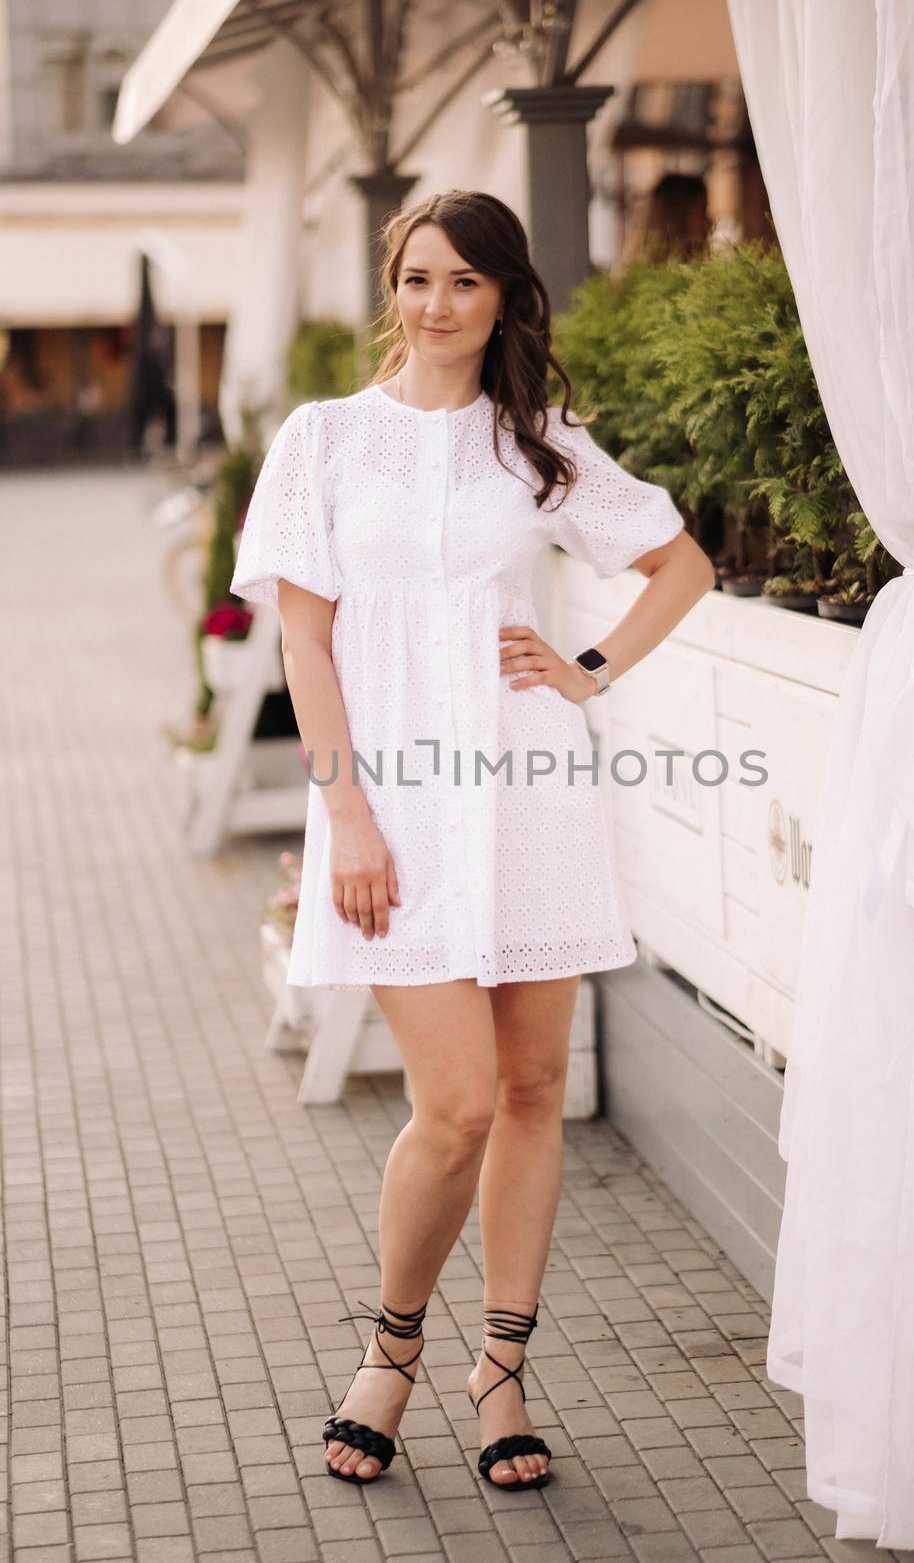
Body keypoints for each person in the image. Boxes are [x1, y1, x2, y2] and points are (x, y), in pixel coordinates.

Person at [230, 189, 715, 1493]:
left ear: (504, 296)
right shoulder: (324, 443)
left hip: (529, 799)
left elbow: (682, 563)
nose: (437, 303)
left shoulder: (541, 444)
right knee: (449, 1106)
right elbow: (304, 641)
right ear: (391, 286)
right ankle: (390, 1353)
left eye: (463, 281)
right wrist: (345, 817)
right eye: (417, 276)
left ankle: (500, 1373)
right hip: (387, 814)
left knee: (533, 1094)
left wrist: (589, 666)